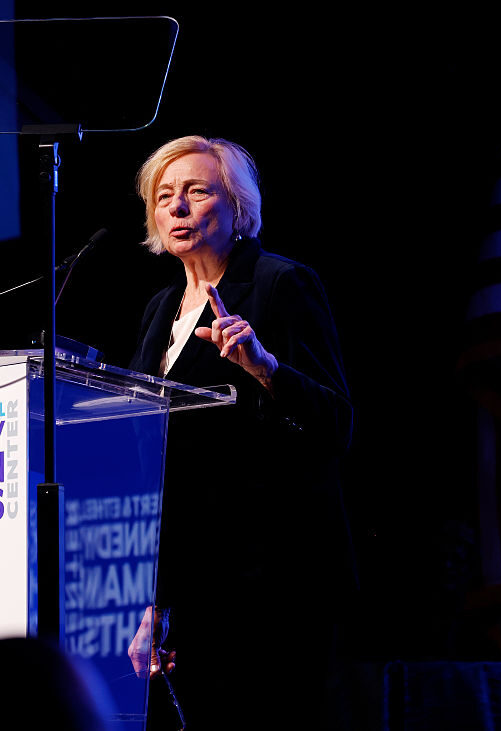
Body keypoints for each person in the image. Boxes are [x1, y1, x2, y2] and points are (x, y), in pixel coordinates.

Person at [125, 136, 357, 728]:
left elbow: (336, 423)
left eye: (196, 192)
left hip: (276, 580)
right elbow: (160, 465)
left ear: (238, 208)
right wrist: (154, 603)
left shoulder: (280, 284)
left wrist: (266, 368)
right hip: (194, 586)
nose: (177, 207)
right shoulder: (159, 309)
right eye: (163, 197)